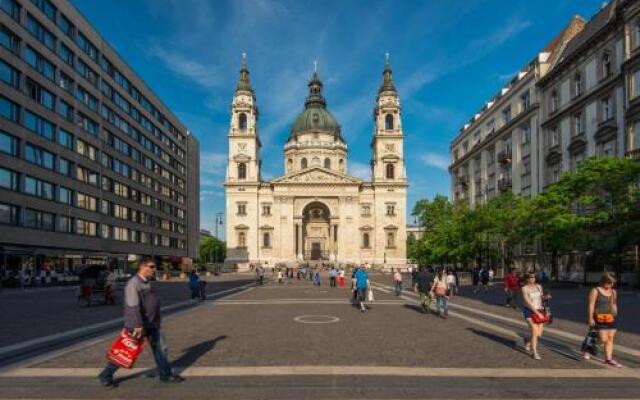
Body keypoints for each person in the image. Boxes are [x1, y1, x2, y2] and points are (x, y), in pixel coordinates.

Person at [98, 258, 183, 387]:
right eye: (152, 267)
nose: (154, 269)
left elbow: (151, 303)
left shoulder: (146, 282)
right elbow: (132, 306)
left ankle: (165, 375)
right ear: (143, 267)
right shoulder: (134, 283)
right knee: (127, 351)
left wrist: (156, 320)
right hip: (138, 326)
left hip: (151, 324)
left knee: (160, 349)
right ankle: (106, 375)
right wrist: (137, 325)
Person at [585, 273, 621, 367]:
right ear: (604, 281)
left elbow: (614, 304)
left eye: (612, 283)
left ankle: (608, 359)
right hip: (599, 317)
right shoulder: (595, 290)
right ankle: (589, 347)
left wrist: (615, 311)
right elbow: (591, 305)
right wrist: (590, 318)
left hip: (610, 317)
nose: (611, 285)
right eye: (609, 282)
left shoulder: (613, 292)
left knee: (610, 338)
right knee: (602, 338)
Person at [521, 272, 549, 360]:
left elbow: (541, 298)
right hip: (529, 311)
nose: (533, 279)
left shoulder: (539, 286)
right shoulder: (524, 288)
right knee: (534, 330)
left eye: (534, 277)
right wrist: (537, 313)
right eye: (531, 277)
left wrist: (546, 297)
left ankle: (527, 339)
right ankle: (535, 352)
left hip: (540, 310)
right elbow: (528, 303)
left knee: (538, 333)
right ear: (527, 279)